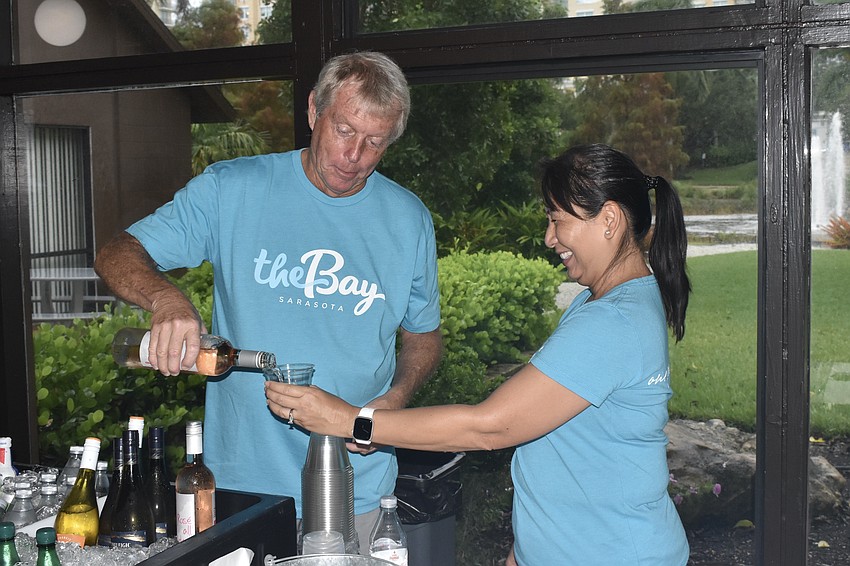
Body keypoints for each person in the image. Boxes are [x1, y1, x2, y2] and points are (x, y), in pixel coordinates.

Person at [266, 143, 692, 565]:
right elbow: (564, 443)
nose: (549, 238)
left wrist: (349, 420)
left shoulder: (612, 322)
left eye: (556, 220)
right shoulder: (609, 302)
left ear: (610, 219)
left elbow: (490, 427)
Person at [94, 51, 443, 548]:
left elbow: (424, 336)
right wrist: (167, 301)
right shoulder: (232, 189)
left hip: (358, 493)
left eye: (375, 142)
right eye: (344, 131)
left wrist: (396, 399)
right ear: (312, 112)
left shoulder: (409, 219)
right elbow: (116, 253)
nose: (355, 157)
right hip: (244, 492)